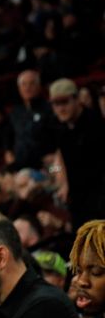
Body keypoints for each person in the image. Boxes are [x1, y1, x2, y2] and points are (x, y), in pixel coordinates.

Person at [44, 78, 105, 229]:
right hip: (78, 199)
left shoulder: (96, 124)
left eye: (64, 102)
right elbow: (60, 163)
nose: (60, 108)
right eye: (55, 104)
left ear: (77, 99)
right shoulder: (59, 128)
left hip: (100, 196)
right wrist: (57, 177)